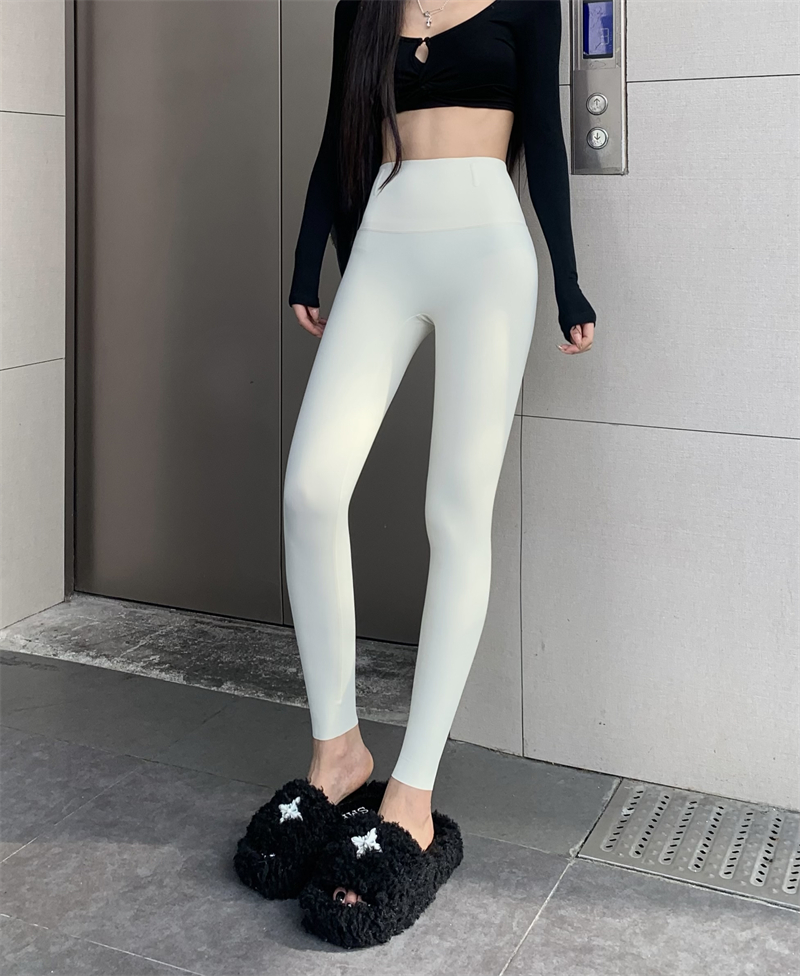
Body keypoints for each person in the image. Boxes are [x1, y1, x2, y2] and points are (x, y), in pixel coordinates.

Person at [234, 0, 597, 947]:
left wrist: (568, 276)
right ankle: (338, 754)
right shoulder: (364, 6)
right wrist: (309, 259)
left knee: (454, 515)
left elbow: (544, 138)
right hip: (385, 244)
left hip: (488, 251)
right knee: (311, 488)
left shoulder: (530, 2)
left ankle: (414, 792)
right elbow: (340, 132)